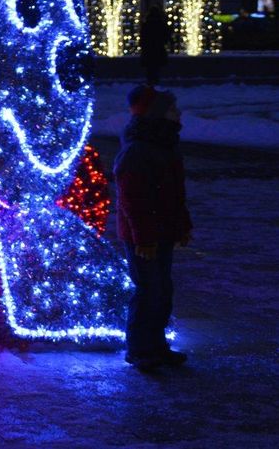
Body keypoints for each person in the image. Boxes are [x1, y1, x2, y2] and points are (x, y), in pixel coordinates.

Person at [113, 85, 192, 372]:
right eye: (172, 109)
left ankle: (157, 345)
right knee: (148, 290)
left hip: (163, 231)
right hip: (142, 237)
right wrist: (144, 239)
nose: (179, 113)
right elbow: (134, 202)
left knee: (162, 289)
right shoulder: (137, 151)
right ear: (158, 114)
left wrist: (181, 226)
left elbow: (175, 194)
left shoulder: (166, 145)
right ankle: (139, 349)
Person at [139, 5, 170, 86]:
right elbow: (166, 37)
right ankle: (155, 83)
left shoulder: (146, 24)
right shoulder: (161, 24)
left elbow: (142, 38)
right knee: (156, 69)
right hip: (158, 50)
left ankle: (150, 84)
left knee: (150, 70)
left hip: (148, 51)